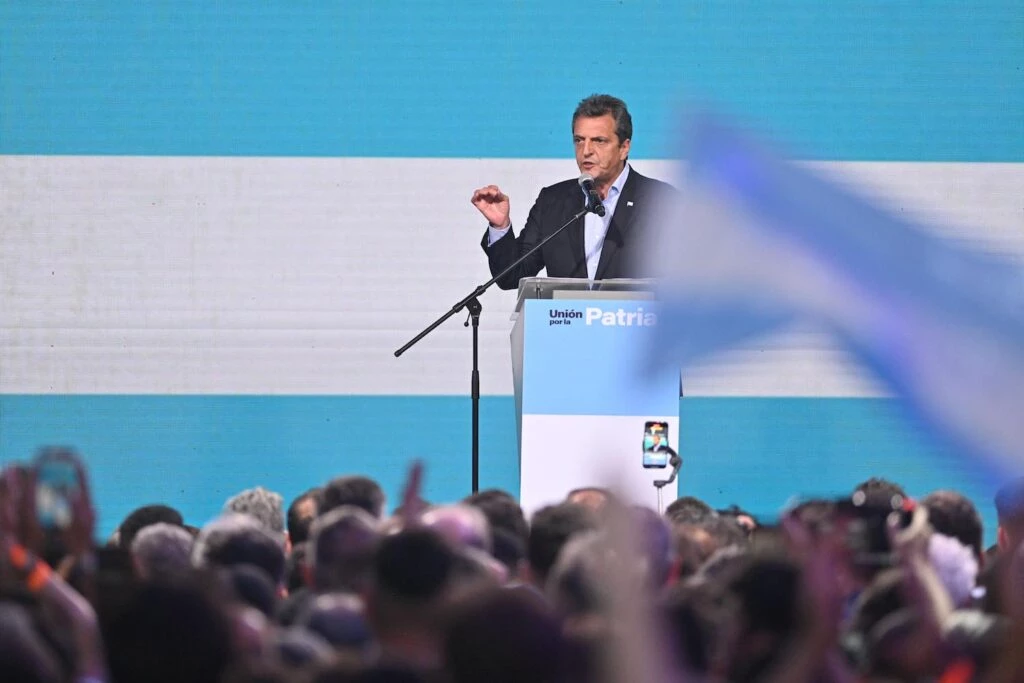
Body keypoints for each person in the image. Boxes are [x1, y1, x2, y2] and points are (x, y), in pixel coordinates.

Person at [472, 94, 673, 290]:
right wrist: (500, 226)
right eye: (579, 140)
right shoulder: (552, 201)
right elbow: (512, 276)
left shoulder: (662, 202)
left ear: (624, 148)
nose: (586, 151)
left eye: (599, 140)